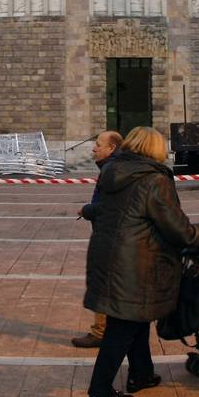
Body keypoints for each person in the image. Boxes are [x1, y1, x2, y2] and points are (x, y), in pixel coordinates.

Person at [81, 126, 199, 397]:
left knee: (134, 318)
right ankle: (99, 393)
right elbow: (177, 227)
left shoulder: (111, 172)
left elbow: (100, 209)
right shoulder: (154, 180)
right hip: (135, 263)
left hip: (109, 257)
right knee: (121, 328)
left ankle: (142, 373)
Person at [72, 129, 122, 349]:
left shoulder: (112, 170)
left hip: (109, 237)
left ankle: (101, 331)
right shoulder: (112, 167)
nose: (94, 148)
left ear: (112, 148)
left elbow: (108, 207)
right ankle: (105, 329)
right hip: (110, 235)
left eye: (99, 144)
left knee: (103, 284)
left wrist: (88, 209)